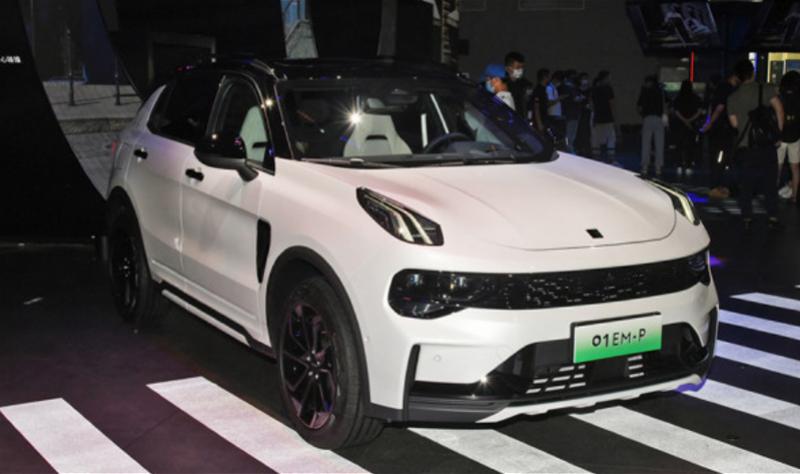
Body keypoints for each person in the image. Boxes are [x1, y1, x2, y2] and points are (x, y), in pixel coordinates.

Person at [726, 59, 785, 230]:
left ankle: (747, 217)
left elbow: (734, 124)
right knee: (770, 183)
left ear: (738, 76)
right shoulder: (764, 89)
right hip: (766, 145)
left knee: (746, 184)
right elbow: (779, 109)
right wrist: (778, 134)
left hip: (746, 147)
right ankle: (772, 216)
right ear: (752, 73)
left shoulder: (733, 97)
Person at [701, 68, 743, 199]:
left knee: (720, 159)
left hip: (721, 130)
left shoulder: (724, 88)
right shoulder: (728, 89)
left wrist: (709, 123)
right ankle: (716, 186)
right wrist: (710, 124)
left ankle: (718, 186)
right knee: (720, 159)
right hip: (722, 130)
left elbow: (716, 108)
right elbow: (719, 108)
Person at [672, 80, 704, 177]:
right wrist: (690, 120)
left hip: (679, 125)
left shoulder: (678, 98)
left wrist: (684, 120)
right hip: (691, 125)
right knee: (690, 146)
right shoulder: (696, 98)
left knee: (679, 145)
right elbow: (699, 111)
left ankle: (679, 165)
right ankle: (689, 166)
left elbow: (676, 111)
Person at [777, 70, 800, 204]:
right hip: (795, 136)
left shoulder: (780, 95)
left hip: (781, 136)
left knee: (778, 167)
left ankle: (772, 193)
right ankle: (795, 196)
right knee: (795, 168)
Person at [637, 74, 666, 176]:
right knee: (659, 144)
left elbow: (639, 106)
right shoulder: (661, 91)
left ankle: (645, 167)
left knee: (646, 144)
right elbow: (666, 104)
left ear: (648, 82)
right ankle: (658, 168)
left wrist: (642, 115)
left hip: (647, 118)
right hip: (659, 119)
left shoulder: (644, 91)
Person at [591, 70, 618, 163]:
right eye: (609, 77)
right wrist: (615, 117)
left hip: (597, 117)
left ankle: (596, 158)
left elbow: (592, 104)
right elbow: (612, 104)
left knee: (596, 138)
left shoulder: (594, 89)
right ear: (605, 78)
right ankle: (611, 158)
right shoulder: (608, 89)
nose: (610, 79)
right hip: (608, 117)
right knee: (610, 137)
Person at [504, 51, 532, 121]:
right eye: (518, 67)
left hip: (522, 121)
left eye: (522, 67)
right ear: (508, 69)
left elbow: (529, 104)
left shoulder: (526, 84)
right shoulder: (502, 85)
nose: (520, 70)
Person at [562, 70, 584, 153]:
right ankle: (570, 152)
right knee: (570, 136)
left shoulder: (573, 87)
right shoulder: (567, 87)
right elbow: (575, 98)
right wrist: (580, 98)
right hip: (570, 114)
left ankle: (570, 150)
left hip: (574, 114)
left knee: (572, 135)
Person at [547, 71, 566, 144]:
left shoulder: (554, 88)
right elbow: (549, 102)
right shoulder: (549, 88)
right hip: (552, 115)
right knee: (555, 135)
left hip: (556, 114)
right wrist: (559, 98)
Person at [531, 68, 551, 133]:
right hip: (540, 120)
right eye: (548, 76)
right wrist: (539, 123)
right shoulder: (538, 90)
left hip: (544, 118)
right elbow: (536, 107)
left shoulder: (544, 89)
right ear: (544, 77)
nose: (550, 78)